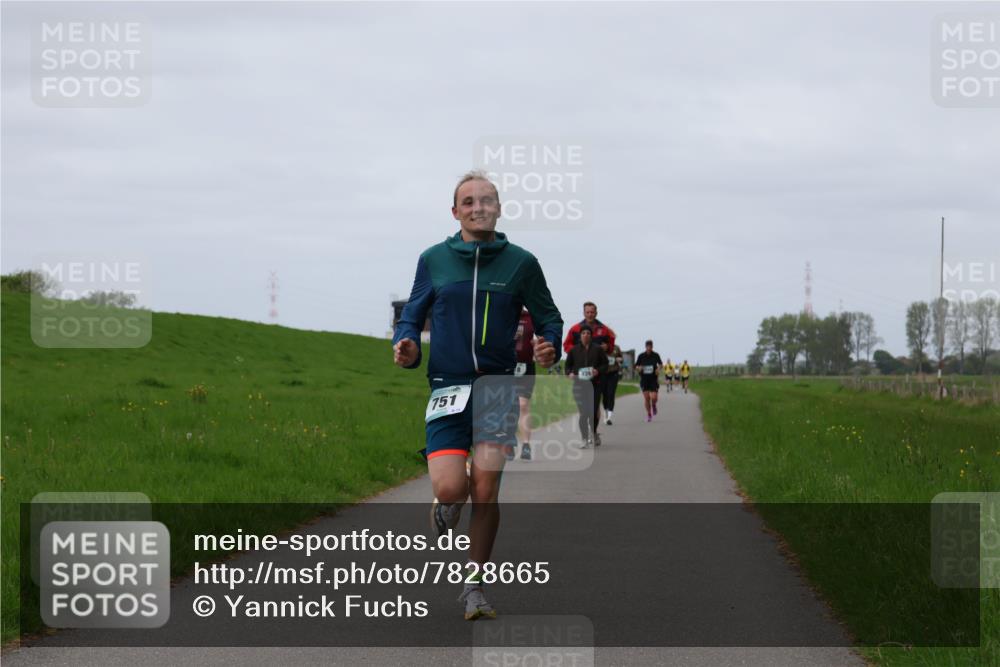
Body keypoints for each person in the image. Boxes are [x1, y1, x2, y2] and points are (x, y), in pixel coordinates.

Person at [393, 171, 563, 620]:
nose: (477, 207)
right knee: (452, 487)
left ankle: (474, 586)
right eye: (468, 201)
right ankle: (447, 500)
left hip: (497, 387)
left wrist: (550, 346)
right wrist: (408, 347)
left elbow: (550, 318)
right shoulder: (433, 260)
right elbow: (411, 316)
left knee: (485, 490)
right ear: (455, 212)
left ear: (498, 208)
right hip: (447, 387)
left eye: (486, 200)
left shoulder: (521, 263)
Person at [563, 324, 608, 446]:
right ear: (580, 336)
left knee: (593, 412)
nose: (586, 335)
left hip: (595, 385)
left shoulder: (598, 349)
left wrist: (597, 371)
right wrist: (570, 373)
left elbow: (605, 365)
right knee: (584, 413)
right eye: (583, 333)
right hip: (579, 385)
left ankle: (593, 432)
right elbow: (567, 366)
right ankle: (584, 438)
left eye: (588, 333)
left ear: (591, 336)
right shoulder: (573, 350)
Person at [513, 308, 536, 460]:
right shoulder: (503, 311)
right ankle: (507, 440)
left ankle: (526, 445)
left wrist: (538, 344)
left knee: (523, 405)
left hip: (526, 366)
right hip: (504, 365)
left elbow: (543, 336)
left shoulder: (532, 316)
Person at [635, 340, 663, 422]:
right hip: (644, 379)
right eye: (647, 347)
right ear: (645, 347)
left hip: (653, 379)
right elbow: (636, 365)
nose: (649, 348)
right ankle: (649, 414)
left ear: (652, 347)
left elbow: (661, 364)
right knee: (647, 398)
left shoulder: (656, 355)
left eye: (650, 347)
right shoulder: (641, 356)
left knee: (654, 397)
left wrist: (658, 369)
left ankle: (654, 405)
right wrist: (638, 368)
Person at [603, 344, 623, 425]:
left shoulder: (616, 347)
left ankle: (609, 417)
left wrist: (619, 359)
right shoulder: (601, 346)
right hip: (603, 373)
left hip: (613, 373)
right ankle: (606, 413)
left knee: (611, 394)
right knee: (605, 395)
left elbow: (621, 359)